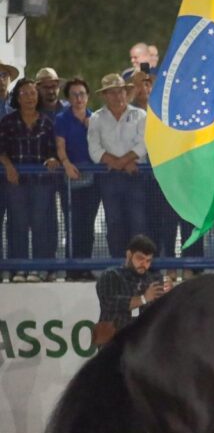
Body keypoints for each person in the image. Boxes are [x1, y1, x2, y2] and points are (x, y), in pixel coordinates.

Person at [0, 78, 61, 282]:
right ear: (18, 97)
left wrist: (53, 159)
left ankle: (39, 268)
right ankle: (18, 268)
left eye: (33, 93)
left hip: (41, 184)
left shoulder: (47, 122)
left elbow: (54, 151)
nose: (29, 97)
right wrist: (8, 166)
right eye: (25, 93)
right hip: (15, 183)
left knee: (40, 224)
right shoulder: (8, 121)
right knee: (17, 225)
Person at [87, 73, 148, 259]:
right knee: (114, 222)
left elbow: (145, 143)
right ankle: (119, 262)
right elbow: (94, 148)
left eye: (120, 91)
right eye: (111, 93)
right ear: (105, 95)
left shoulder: (140, 115)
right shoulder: (96, 118)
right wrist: (120, 163)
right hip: (110, 177)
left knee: (138, 222)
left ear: (126, 92)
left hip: (136, 175)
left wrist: (123, 161)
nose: (117, 96)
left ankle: (140, 263)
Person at [54, 77, 99, 280]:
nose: (79, 98)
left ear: (87, 97)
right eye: (74, 94)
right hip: (71, 178)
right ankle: (72, 268)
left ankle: (85, 266)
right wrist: (66, 163)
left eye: (82, 94)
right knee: (73, 224)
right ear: (68, 98)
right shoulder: (62, 119)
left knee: (88, 225)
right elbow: (60, 147)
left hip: (93, 178)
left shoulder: (95, 118)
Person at [94, 234, 165, 344]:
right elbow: (110, 303)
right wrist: (143, 299)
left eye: (148, 260)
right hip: (111, 338)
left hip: (141, 340)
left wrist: (168, 294)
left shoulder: (153, 279)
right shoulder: (110, 275)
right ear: (128, 255)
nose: (144, 264)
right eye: (140, 258)